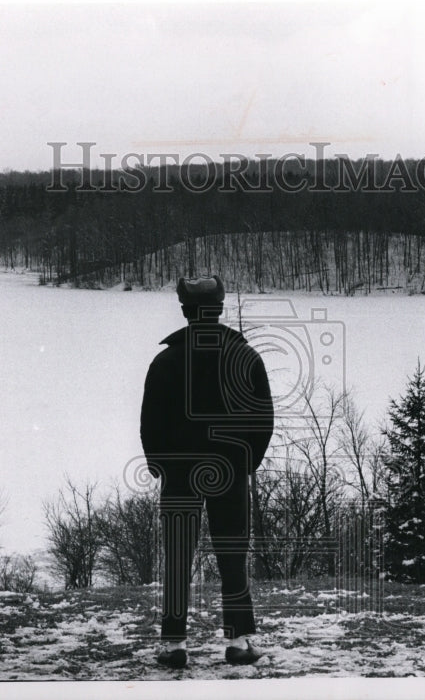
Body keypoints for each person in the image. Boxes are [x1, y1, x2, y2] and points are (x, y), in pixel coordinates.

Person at [140, 275, 274, 669]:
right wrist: (247, 462)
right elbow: (262, 418)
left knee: (178, 557)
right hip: (230, 469)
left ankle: (174, 644)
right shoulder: (246, 357)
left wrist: (159, 465)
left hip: (180, 472)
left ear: (185, 310)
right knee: (233, 556)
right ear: (219, 308)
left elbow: (151, 422)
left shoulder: (166, 360)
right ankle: (239, 641)